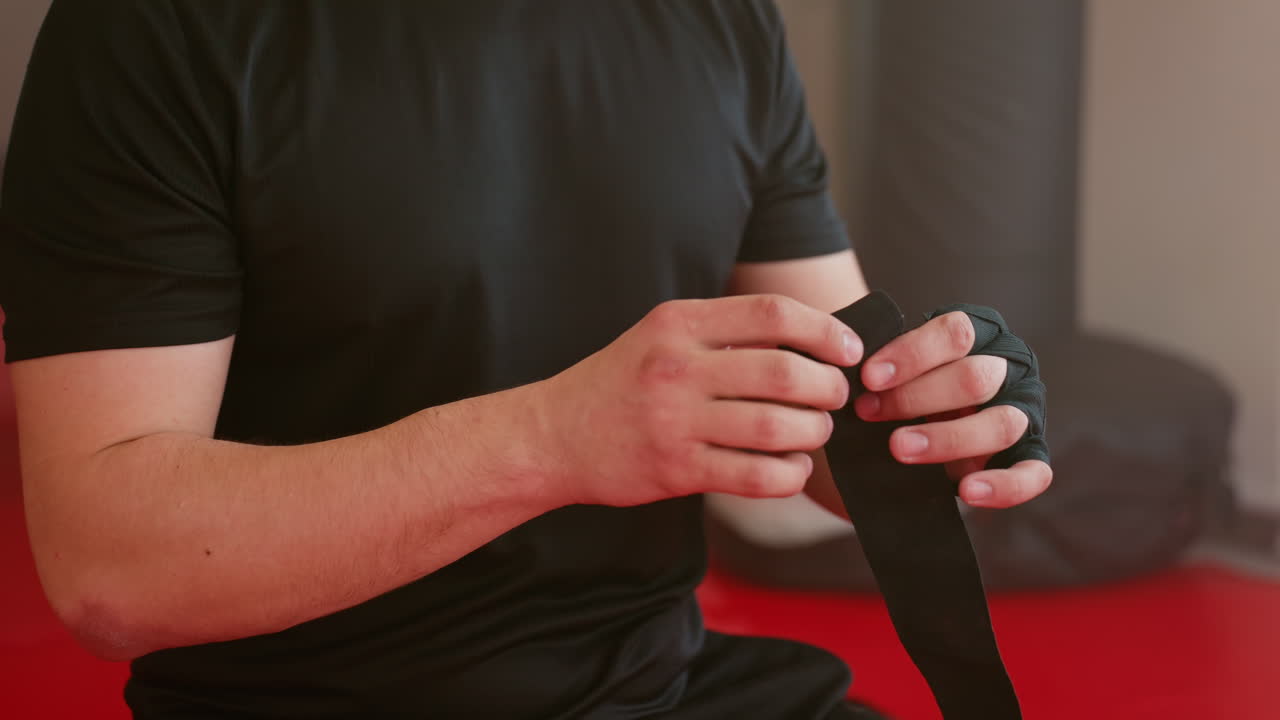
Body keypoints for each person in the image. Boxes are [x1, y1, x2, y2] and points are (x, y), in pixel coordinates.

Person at [0, 2, 1052, 718]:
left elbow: (819, 414)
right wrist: (546, 441)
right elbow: (110, 570)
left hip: (664, 688)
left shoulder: (715, 17)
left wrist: (932, 418)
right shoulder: (152, 27)